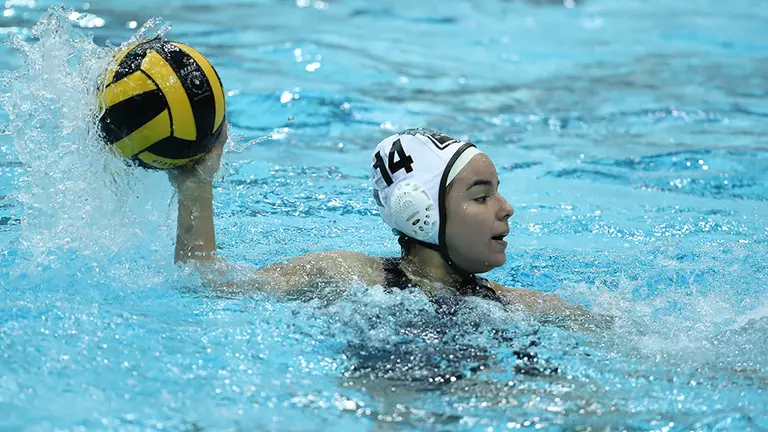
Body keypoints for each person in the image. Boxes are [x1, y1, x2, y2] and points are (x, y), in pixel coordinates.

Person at [171, 121, 604, 329]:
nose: (506, 208)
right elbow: (208, 283)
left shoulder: (516, 304)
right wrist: (196, 187)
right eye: (481, 195)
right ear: (420, 211)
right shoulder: (347, 276)